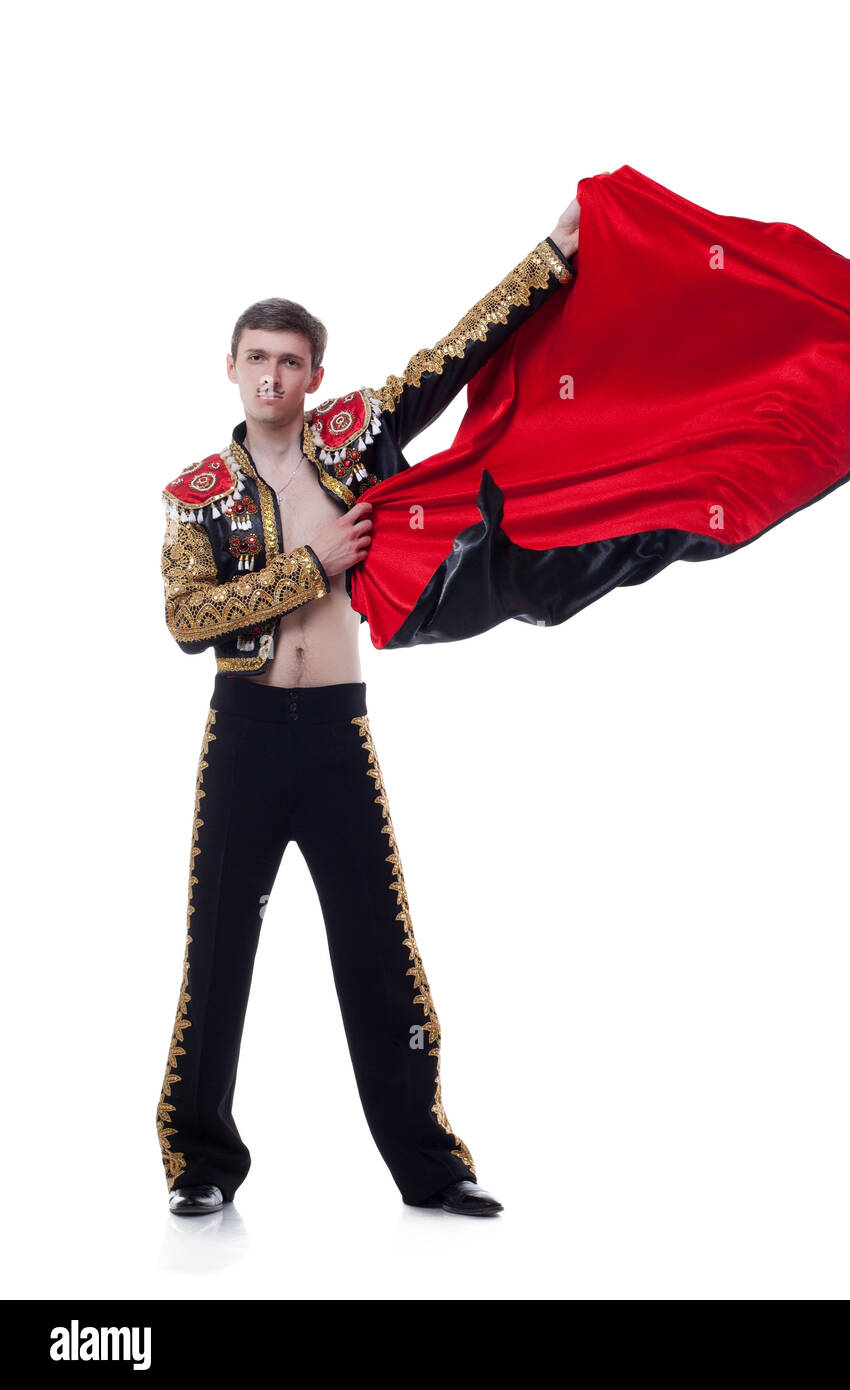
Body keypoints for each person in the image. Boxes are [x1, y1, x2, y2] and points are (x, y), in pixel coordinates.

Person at [156, 198, 581, 1217]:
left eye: (290, 361)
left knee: (381, 950)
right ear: (231, 367)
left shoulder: (351, 438)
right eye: (255, 358)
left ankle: (431, 1165)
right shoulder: (197, 491)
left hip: (339, 731)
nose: (272, 376)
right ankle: (201, 1162)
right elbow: (187, 619)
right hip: (247, 737)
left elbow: (452, 358)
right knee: (218, 952)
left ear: (313, 371)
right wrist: (312, 567)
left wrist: (555, 257)